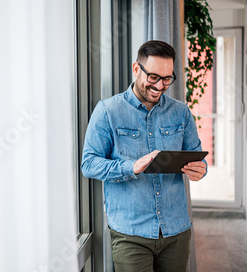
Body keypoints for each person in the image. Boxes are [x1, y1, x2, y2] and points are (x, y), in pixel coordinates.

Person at [81, 40, 207, 272]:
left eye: (167, 78)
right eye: (153, 77)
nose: (160, 86)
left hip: (176, 231)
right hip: (131, 235)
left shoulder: (181, 112)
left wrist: (201, 169)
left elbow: (198, 157)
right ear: (136, 69)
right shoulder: (108, 111)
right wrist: (131, 167)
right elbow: (89, 164)